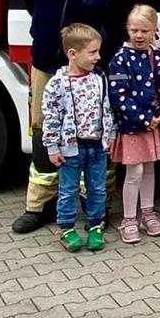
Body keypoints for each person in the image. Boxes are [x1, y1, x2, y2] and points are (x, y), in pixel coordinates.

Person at [12, 0, 144, 234]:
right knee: (44, 131)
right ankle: (40, 206)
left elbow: (128, 13)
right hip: (48, 63)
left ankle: (96, 205)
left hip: (96, 68)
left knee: (97, 133)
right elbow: (31, 1)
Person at [42, 24, 116, 253]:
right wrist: (52, 147)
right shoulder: (57, 84)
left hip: (97, 147)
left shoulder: (99, 79)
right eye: (92, 52)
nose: (98, 57)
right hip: (71, 150)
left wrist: (110, 134)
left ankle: (95, 225)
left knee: (97, 189)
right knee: (68, 190)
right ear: (72, 54)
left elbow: (107, 108)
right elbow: (51, 117)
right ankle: (66, 228)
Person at [108, 5, 160, 243]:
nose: (139, 35)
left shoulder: (159, 58)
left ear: (155, 30)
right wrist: (143, 118)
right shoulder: (120, 59)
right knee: (134, 172)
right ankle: (129, 219)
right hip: (132, 127)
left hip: (153, 126)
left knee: (150, 170)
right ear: (127, 29)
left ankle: (148, 213)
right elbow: (118, 96)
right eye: (134, 30)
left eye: (145, 30)